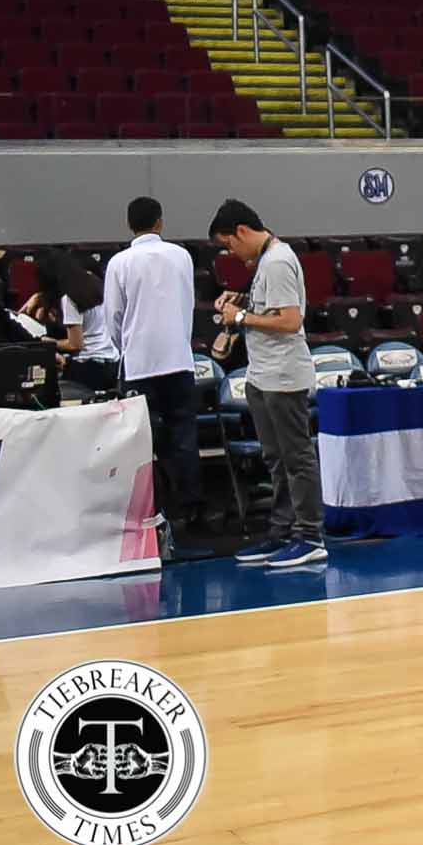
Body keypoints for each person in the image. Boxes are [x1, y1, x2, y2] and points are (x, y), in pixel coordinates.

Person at [210, 200, 325, 570]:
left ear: (241, 231)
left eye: (229, 244)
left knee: (296, 458)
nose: (231, 252)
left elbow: (290, 321)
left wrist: (240, 316)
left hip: (283, 376)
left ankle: (309, 535)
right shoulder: (265, 262)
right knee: (277, 459)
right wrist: (242, 300)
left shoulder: (276, 262)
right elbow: (271, 308)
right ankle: (282, 530)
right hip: (263, 374)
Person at [103, 197, 205, 554]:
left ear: (130, 225)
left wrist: (125, 347)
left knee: (143, 442)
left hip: (140, 364)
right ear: (160, 222)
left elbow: (113, 317)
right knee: (183, 436)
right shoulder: (181, 256)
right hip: (178, 358)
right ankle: (190, 511)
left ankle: (153, 511)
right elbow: (187, 303)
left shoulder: (119, 262)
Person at [25, 250, 120, 394]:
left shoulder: (69, 299)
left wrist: (46, 341)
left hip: (88, 368)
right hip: (111, 362)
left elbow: (75, 344)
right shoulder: (94, 283)